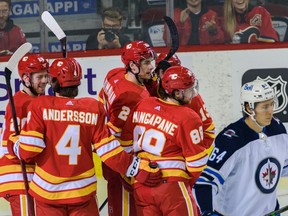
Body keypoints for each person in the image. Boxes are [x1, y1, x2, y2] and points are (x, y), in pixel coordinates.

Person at [8, 57, 162, 216]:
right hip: (83, 192)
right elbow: (109, 151)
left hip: (48, 193)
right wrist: (137, 167)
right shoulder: (92, 108)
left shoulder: (40, 105)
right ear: (78, 82)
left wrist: (14, 143)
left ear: (53, 82)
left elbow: (28, 151)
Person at [120, 66, 208, 215]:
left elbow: (125, 143)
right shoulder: (188, 116)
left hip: (142, 185)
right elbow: (196, 164)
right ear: (178, 93)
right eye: (189, 89)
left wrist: (136, 175)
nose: (193, 93)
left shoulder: (143, 104)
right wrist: (185, 184)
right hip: (172, 187)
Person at [194, 79, 288, 215]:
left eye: (272, 104)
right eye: (265, 107)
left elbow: (283, 167)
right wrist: (208, 213)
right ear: (249, 108)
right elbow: (205, 182)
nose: (271, 111)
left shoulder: (277, 128)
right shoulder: (231, 140)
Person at [101, 40, 156, 216]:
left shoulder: (113, 74)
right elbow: (111, 133)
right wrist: (126, 168)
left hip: (118, 164)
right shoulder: (130, 97)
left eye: (151, 61)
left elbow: (101, 101)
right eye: (146, 62)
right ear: (132, 65)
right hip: (124, 165)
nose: (151, 67)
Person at [0, 54, 49, 216]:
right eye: (40, 76)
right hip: (18, 177)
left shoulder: (38, 100)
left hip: (31, 177)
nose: (44, 80)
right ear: (27, 78)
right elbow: (10, 144)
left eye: (46, 75)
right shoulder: (19, 102)